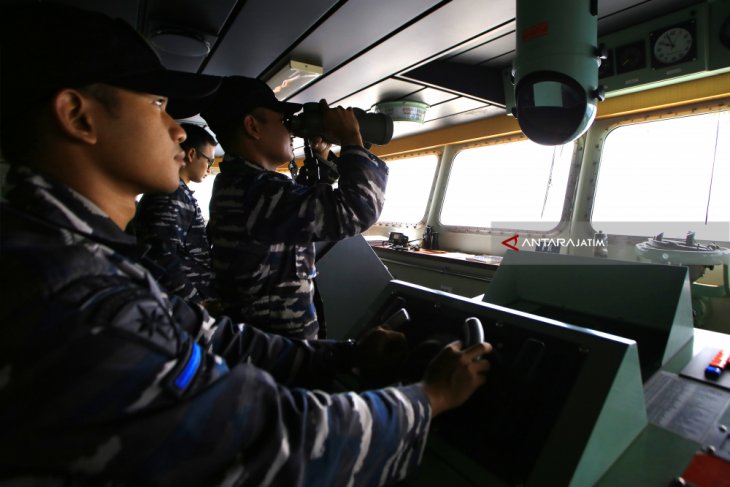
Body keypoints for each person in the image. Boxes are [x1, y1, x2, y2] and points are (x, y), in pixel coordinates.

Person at [0, 4, 492, 487]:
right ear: (78, 117)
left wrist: (345, 356)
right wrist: (429, 398)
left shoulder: (86, 261)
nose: (176, 129)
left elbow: (208, 336)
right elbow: (268, 442)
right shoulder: (73, 300)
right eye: (156, 105)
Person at [202, 76, 388, 340]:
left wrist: (321, 155)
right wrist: (351, 137)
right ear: (252, 127)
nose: (290, 131)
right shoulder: (259, 190)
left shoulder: (244, 185)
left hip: (264, 345)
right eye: (282, 121)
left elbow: (302, 207)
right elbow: (357, 210)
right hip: (276, 355)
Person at [133, 123, 218, 303]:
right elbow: (161, 256)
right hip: (183, 303)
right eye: (209, 161)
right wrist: (194, 302)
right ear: (192, 154)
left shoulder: (178, 193)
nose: (209, 168)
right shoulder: (170, 194)